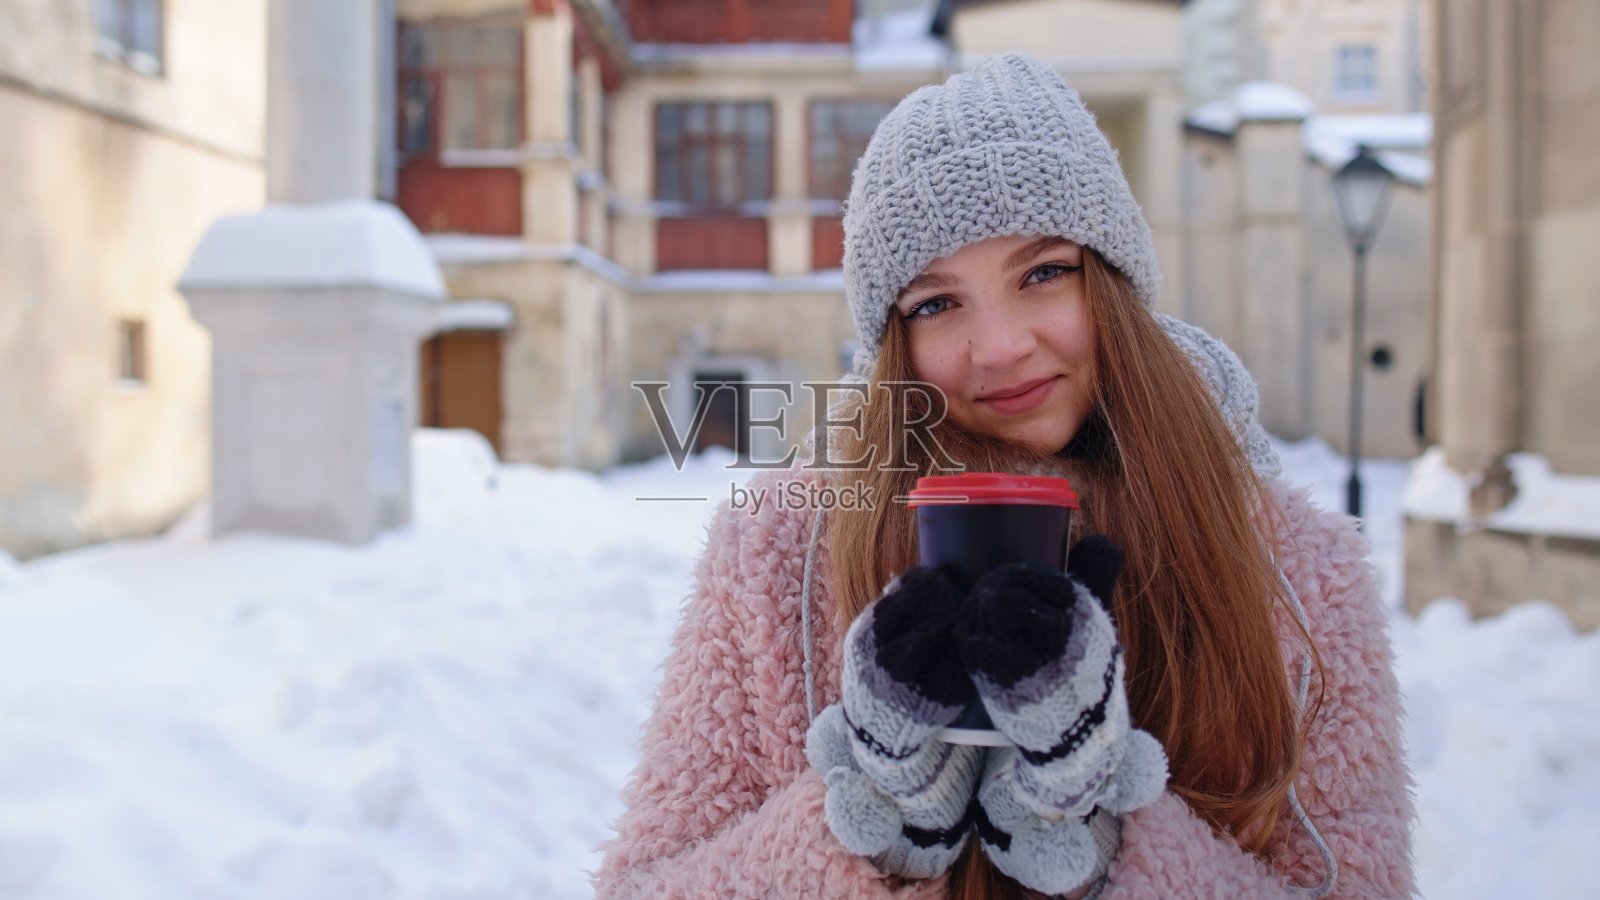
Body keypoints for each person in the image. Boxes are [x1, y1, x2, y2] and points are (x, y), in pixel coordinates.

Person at [594, 52, 1412, 899]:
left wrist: (1108, 849)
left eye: (1044, 273)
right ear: (894, 344)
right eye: (937, 304)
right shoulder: (782, 552)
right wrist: (874, 824)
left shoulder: (1289, 563)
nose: (1000, 347)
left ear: (1115, 284)